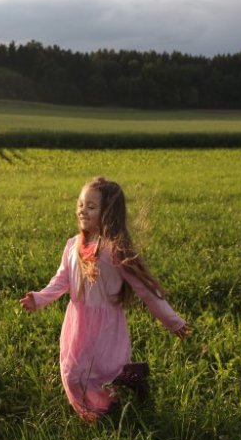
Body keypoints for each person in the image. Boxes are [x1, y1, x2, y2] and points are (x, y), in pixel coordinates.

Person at [20, 176, 191, 421]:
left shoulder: (115, 250)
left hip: (105, 326)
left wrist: (173, 321)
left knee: (96, 372)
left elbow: (145, 290)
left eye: (91, 207)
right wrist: (38, 299)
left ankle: (106, 411)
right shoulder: (72, 246)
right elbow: (61, 280)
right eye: (80, 204)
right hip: (78, 323)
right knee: (73, 373)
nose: (82, 210)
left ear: (108, 213)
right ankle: (106, 408)